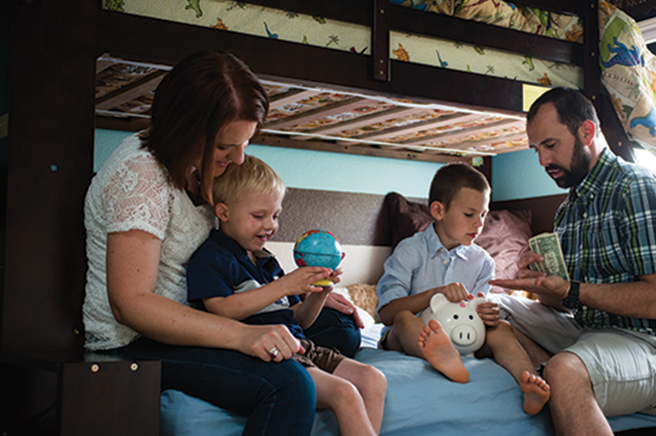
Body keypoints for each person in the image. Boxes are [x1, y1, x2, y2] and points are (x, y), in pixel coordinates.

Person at [82, 51, 318, 435]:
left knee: (335, 328)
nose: (239, 158)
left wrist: (301, 292)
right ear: (186, 130)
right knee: (287, 384)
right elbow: (130, 304)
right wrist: (242, 336)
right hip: (136, 340)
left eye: (244, 143)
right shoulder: (141, 175)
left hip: (195, 321)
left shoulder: (197, 167)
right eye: (226, 146)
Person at [490, 88, 656, 436]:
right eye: (536, 150)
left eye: (550, 145)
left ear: (587, 132)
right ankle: (549, 376)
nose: (542, 161)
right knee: (492, 309)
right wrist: (543, 287)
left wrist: (571, 289)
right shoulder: (569, 210)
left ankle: (559, 375)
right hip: (595, 334)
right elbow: (569, 300)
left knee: (567, 370)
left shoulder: (639, 190)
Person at [187, 155, 387, 436]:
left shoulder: (266, 261)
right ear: (223, 212)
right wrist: (283, 286)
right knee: (346, 394)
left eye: (275, 215)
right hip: (267, 354)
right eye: (259, 216)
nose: (270, 225)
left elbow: (301, 320)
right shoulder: (212, 257)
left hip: (300, 345)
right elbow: (220, 310)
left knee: (373, 379)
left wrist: (320, 291)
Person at [377, 163, 551, 415]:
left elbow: (478, 310)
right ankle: (441, 357)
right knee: (404, 319)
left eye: (483, 215)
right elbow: (386, 314)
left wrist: (487, 315)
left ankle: (530, 382)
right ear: (438, 210)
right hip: (410, 336)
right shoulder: (410, 251)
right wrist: (433, 294)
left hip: (463, 336)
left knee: (501, 329)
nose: (478, 224)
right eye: (469, 214)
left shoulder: (482, 262)